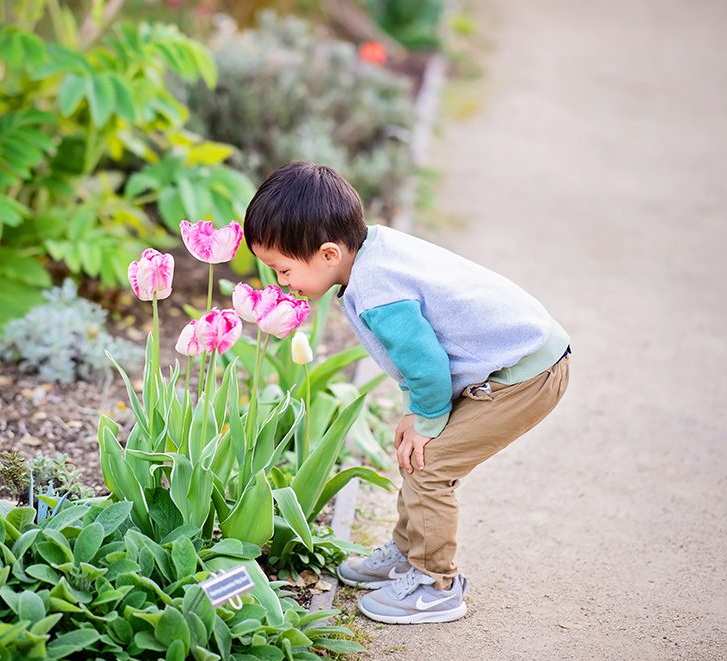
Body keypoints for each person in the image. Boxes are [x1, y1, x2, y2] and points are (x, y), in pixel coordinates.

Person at [243, 161, 571, 624]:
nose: (282, 282)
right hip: (512, 359)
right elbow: (416, 357)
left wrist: (427, 418)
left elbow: (426, 364)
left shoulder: (379, 292)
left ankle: (436, 584)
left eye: (283, 270)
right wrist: (415, 413)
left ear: (329, 253)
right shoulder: (373, 251)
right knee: (414, 450)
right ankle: (407, 549)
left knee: (430, 463)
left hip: (526, 374)